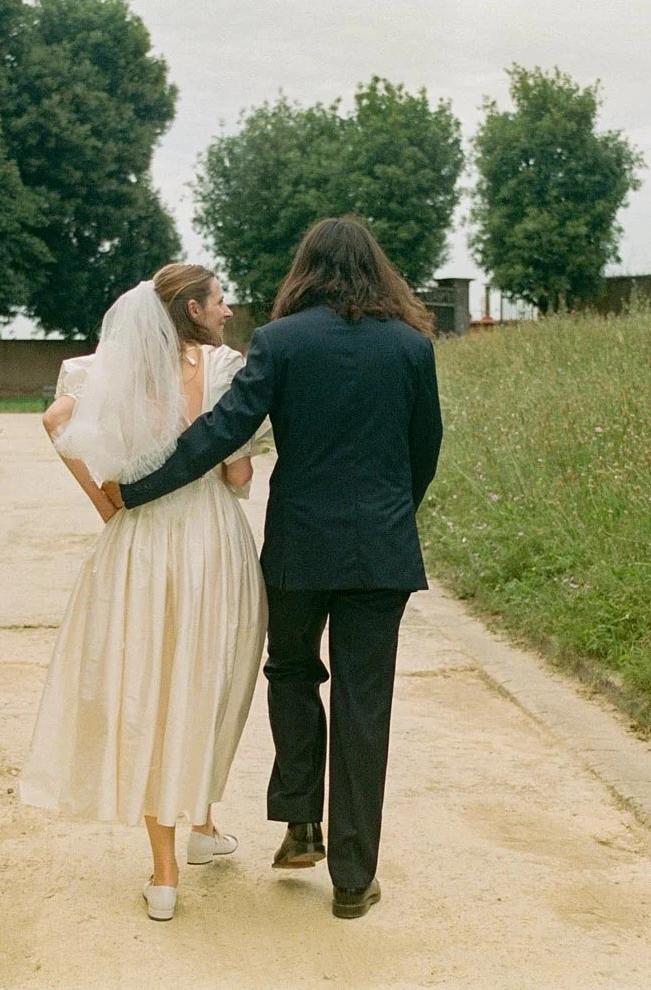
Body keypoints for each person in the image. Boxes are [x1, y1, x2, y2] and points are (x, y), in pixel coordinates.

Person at [104, 216, 443, 919]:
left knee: (291, 672)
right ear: (378, 270)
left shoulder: (281, 343)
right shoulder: (412, 347)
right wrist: (388, 515)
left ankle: (300, 821)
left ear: (305, 271)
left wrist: (136, 490)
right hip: (381, 550)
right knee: (363, 704)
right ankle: (353, 881)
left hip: (298, 546)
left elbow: (223, 431)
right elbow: (424, 449)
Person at [18, 264, 273, 923]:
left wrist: (106, 502)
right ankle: (198, 829)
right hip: (210, 541)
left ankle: (170, 869)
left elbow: (54, 420)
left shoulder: (109, 370)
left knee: (152, 690)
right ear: (193, 309)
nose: (227, 308)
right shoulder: (222, 372)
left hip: (140, 544)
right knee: (207, 680)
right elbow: (239, 472)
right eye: (219, 299)